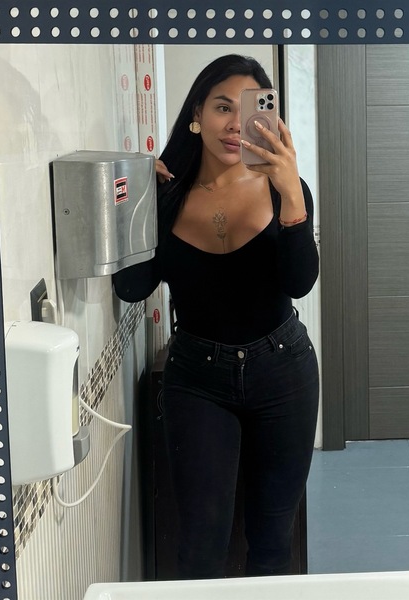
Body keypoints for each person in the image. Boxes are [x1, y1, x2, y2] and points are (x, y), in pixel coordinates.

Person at [112, 54, 320, 579]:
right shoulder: (166, 196)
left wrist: (292, 192)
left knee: (272, 544)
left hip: (283, 371)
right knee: (200, 550)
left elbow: (300, 282)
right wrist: (136, 200)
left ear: (267, 119)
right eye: (222, 107)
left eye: (247, 111)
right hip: (197, 380)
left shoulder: (284, 190)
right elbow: (131, 288)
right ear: (196, 115)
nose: (233, 124)